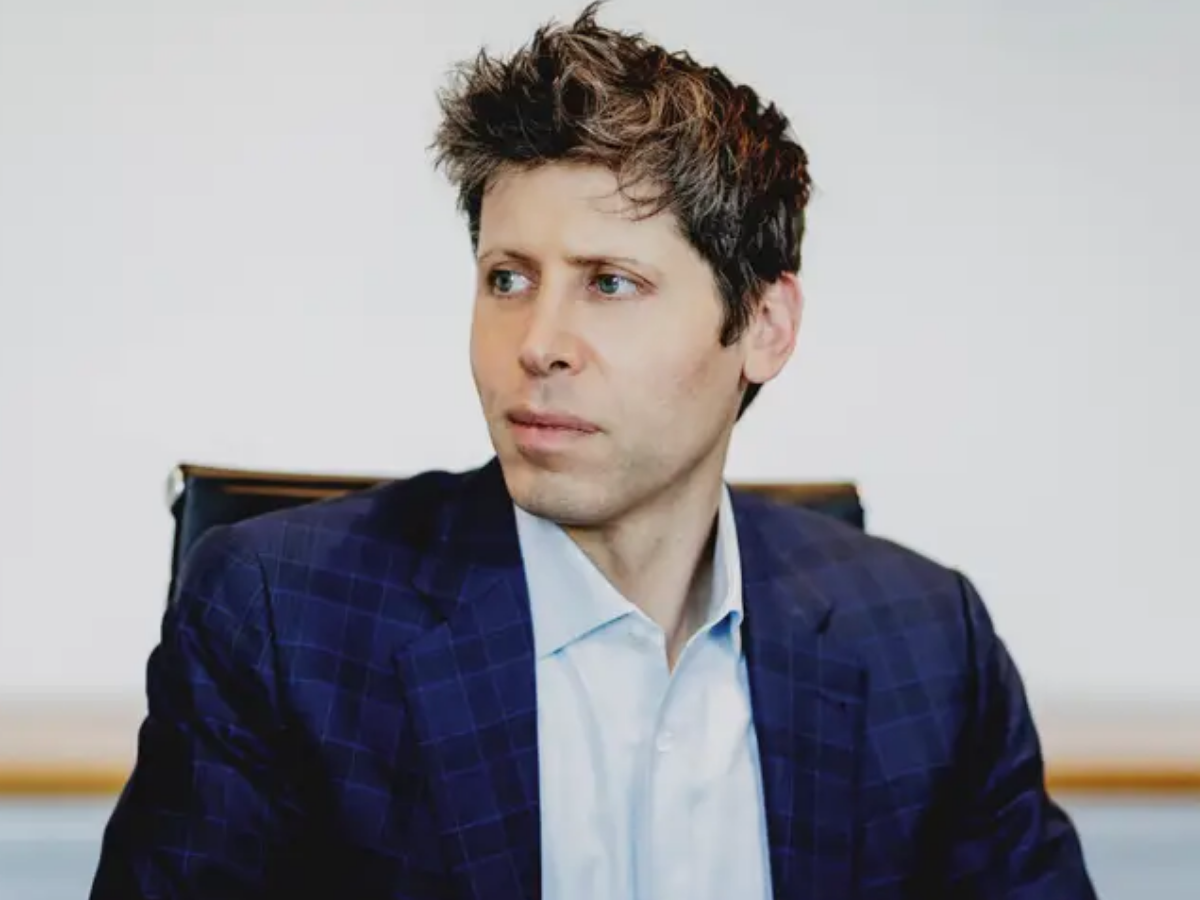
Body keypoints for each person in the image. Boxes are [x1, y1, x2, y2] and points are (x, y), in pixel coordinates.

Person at [90, 3, 1096, 898]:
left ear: (763, 326)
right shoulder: (281, 621)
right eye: (508, 279)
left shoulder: (928, 645)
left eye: (610, 283)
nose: (538, 344)